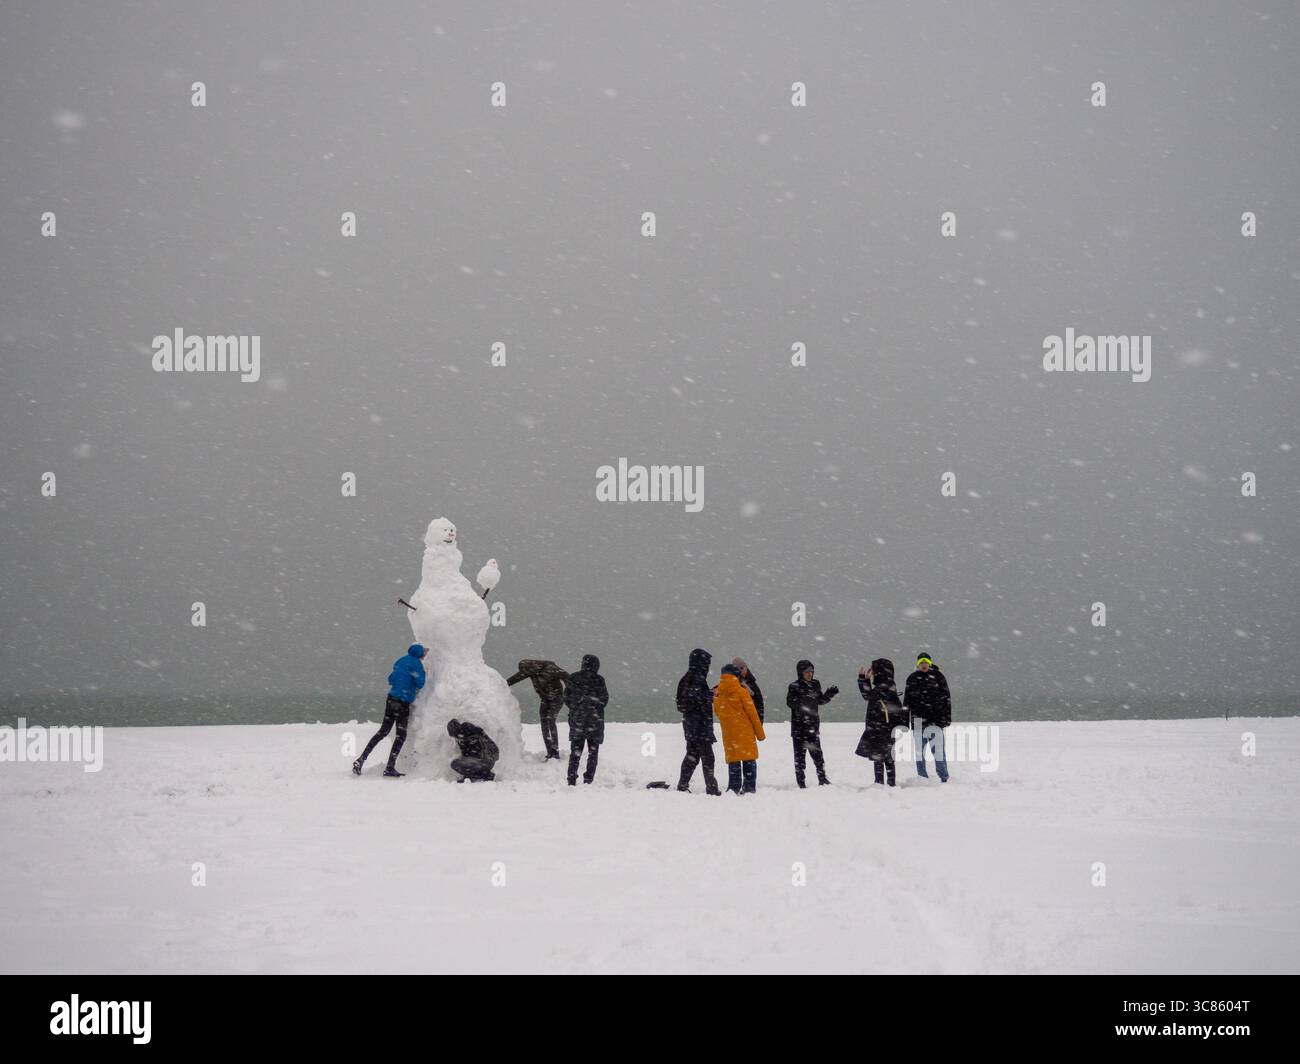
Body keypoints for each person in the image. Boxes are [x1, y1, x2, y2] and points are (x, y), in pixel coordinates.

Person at [353, 643, 426, 778]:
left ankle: (361, 760)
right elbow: (421, 683)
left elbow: (390, 679)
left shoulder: (401, 661)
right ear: (420, 654)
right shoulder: (416, 664)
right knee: (401, 735)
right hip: (402, 702)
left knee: (382, 732)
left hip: (391, 699)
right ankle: (390, 767)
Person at [785, 659, 839, 788]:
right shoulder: (794, 686)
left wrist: (829, 695)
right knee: (799, 758)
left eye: (811, 672)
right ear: (800, 673)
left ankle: (822, 778)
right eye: (807, 672)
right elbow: (790, 703)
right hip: (799, 728)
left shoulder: (815, 684)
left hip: (812, 727)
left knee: (818, 756)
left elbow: (820, 701)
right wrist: (805, 699)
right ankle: (801, 782)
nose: (810, 674)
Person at [713, 663, 765, 794]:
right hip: (745, 733)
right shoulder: (742, 691)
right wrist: (760, 734)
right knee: (749, 760)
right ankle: (749, 787)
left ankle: (734, 788)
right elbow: (752, 714)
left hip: (729, 734)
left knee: (734, 761)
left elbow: (718, 712)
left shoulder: (718, 693)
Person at [676, 648, 721, 795]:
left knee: (692, 756)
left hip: (691, 724)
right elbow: (695, 698)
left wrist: (708, 693)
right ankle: (711, 789)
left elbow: (683, 702)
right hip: (699, 725)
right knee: (708, 758)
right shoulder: (696, 678)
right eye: (707, 663)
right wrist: (711, 693)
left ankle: (682, 785)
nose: (708, 666)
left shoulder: (688, 677)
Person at [856, 658, 906, 786]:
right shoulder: (889, 685)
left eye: (874, 669)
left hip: (881, 728)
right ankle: (888, 783)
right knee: (886, 757)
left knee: (880, 757)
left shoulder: (884, 686)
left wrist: (864, 679)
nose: (872, 672)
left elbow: (867, 695)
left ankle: (882, 784)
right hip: (886, 728)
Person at [507, 659, 569, 760]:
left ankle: (555, 751)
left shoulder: (550, 667)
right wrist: (502, 684)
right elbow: (515, 678)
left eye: (526, 672)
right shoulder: (531, 670)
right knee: (544, 723)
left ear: (532, 667)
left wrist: (568, 694)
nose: (525, 674)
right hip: (545, 699)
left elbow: (567, 677)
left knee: (550, 721)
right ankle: (550, 751)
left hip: (557, 698)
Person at [904, 651, 951, 782]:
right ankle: (922, 777)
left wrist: (946, 717)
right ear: (918, 664)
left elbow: (946, 698)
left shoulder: (938, 677)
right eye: (921, 662)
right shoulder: (912, 678)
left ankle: (944, 777)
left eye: (926, 662)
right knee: (920, 753)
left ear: (929, 663)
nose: (924, 664)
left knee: (939, 751)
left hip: (936, 720)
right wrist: (905, 720)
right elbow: (907, 701)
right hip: (918, 721)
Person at [563, 654, 608, 785]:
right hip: (595, 723)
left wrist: (577, 708)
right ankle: (588, 779)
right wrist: (594, 706)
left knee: (575, 753)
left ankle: (571, 778)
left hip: (578, 722)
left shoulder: (573, 678)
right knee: (593, 753)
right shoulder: (599, 680)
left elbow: (567, 698)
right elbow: (604, 699)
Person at [732, 657, 765, 724]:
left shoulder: (751, 682)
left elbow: (759, 701)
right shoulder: (733, 682)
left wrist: (759, 721)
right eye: (739, 668)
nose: (742, 670)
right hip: (741, 719)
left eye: (743, 667)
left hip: (752, 717)